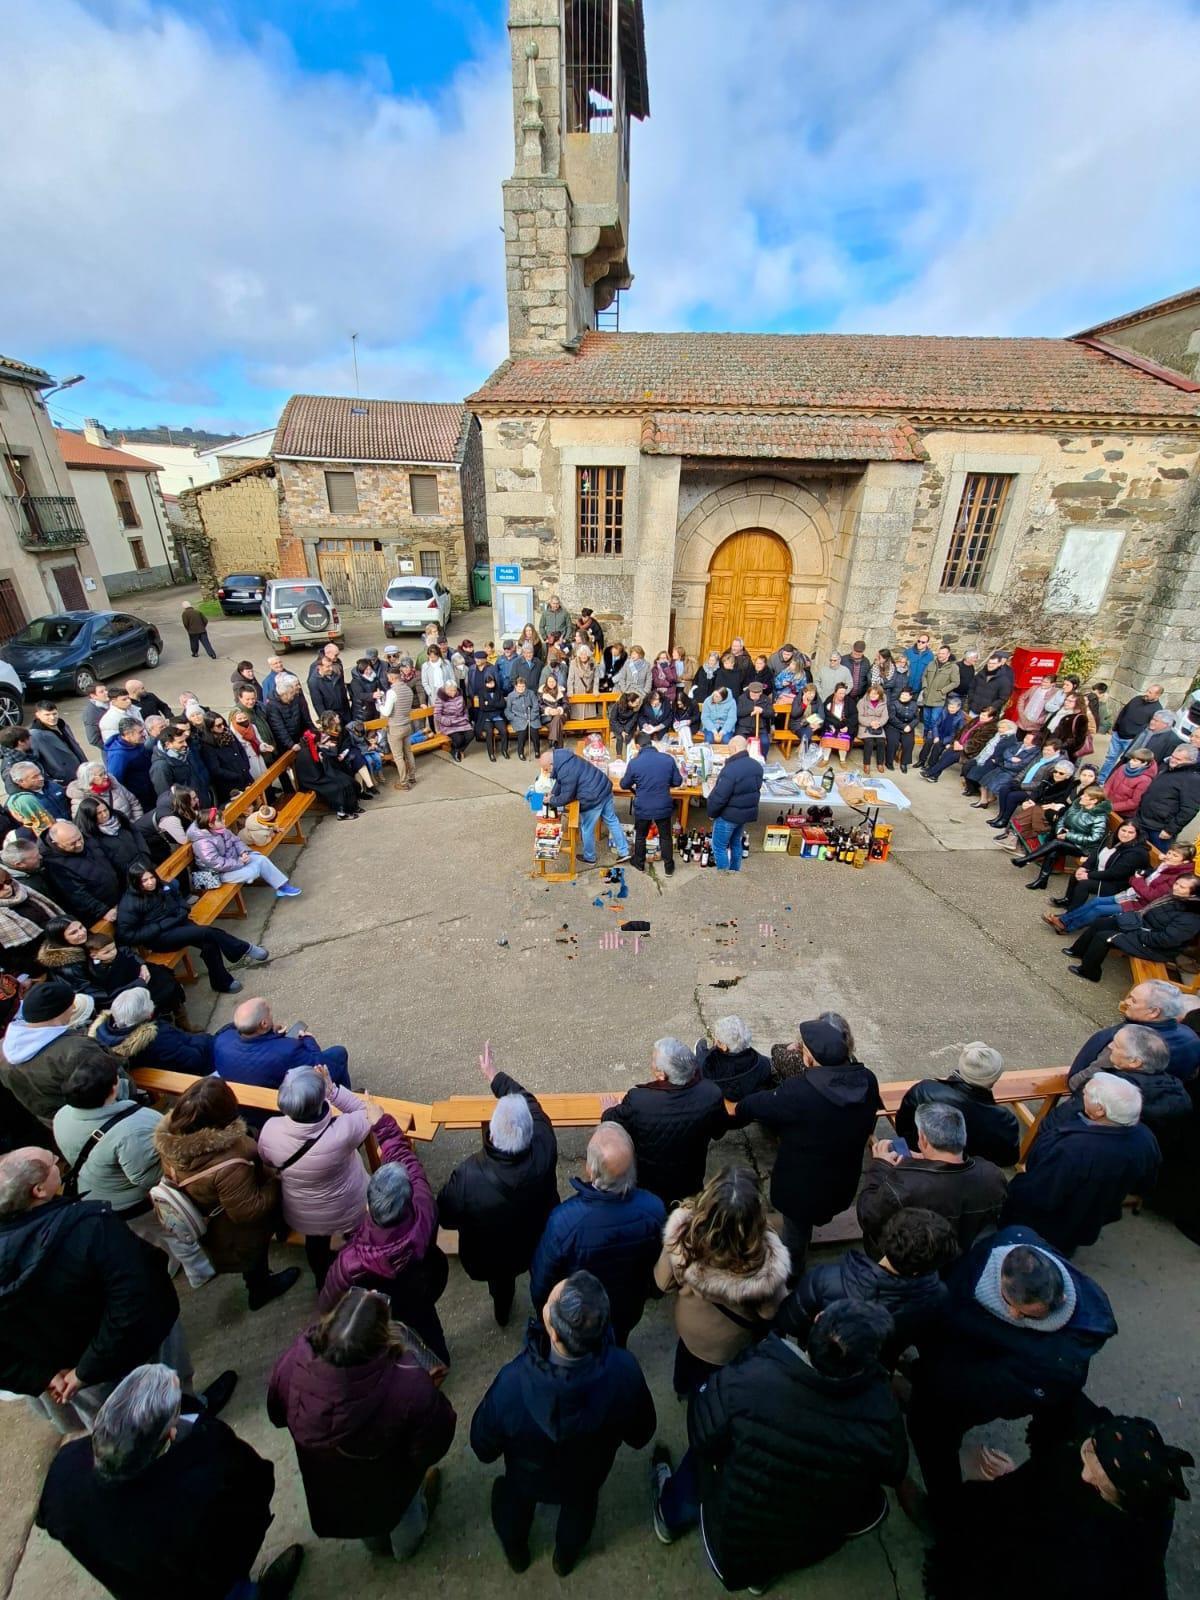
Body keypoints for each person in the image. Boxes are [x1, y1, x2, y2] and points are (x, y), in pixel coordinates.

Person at [651, 1299, 907, 1590]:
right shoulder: (882, 1414)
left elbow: (702, 1433)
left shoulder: (744, 1379)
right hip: (804, 1538)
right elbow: (893, 1469)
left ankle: (670, 1518)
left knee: (700, 1467)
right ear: (869, 1362)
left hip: (735, 1534)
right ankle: (759, 1579)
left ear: (817, 1319)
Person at [37, 1363, 303, 1600]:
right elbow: (257, 1487)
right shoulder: (205, 1468)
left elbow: (47, 1519)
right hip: (209, 1583)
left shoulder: (64, 1469)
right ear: (169, 1434)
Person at [906, 1226, 1117, 1504]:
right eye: (1012, 1305)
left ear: (1060, 1298)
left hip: (975, 1384)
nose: (1014, 1314)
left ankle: (944, 1506)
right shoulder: (1016, 1238)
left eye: (1026, 1314)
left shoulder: (1055, 1363)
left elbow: (989, 1390)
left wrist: (932, 1379)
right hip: (964, 1352)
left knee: (932, 1430)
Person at [471, 1270, 656, 1576]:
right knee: (579, 1514)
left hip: (526, 1477)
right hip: (587, 1477)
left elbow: (482, 1445)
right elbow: (641, 1434)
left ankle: (517, 1553)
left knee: (512, 1508)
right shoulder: (625, 1372)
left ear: (554, 1333)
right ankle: (565, 1559)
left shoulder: (512, 1384)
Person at [0, 1147, 197, 1431]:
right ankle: (190, 1429)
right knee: (172, 1393)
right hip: (136, 1346)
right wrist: (86, 1369)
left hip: (71, 1373)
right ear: (39, 1190)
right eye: (52, 1162)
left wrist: (43, 1376)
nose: (58, 1161)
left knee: (115, 1424)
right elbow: (134, 1297)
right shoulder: (90, 1227)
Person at [923, 1394, 1193, 1600]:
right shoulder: (1148, 1487)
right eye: (1090, 1453)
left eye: (1099, 1478)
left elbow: (1030, 1540)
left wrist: (1011, 1479)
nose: (1086, 1474)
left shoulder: (1090, 1556)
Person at [269, 1288, 454, 1565]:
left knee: (362, 1520)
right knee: (405, 1519)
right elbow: (434, 1442)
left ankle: (377, 1548)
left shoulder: (290, 1364)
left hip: (331, 1480)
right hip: (390, 1481)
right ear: (382, 1336)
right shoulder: (408, 1384)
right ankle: (406, 1552)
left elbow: (277, 1414)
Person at [730, 1015, 881, 1275]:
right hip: (842, 1185)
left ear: (809, 1058)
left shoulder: (799, 1092)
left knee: (795, 1238)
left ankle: (791, 1277)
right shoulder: (867, 1080)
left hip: (800, 1195)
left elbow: (751, 1107)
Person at [437, 1047, 559, 1327]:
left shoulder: (468, 1175)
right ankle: (546, 1316)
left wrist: (491, 1074)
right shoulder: (544, 1142)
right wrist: (495, 1077)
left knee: (501, 1286)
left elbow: (445, 1215)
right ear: (531, 1129)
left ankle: (503, 1315)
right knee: (541, 1273)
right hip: (539, 1236)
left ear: (491, 1133)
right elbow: (528, 1100)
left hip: (494, 1253)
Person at [154, 1075, 298, 1310]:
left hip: (213, 1221)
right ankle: (260, 1290)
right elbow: (248, 1211)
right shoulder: (229, 1163)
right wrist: (276, 1181)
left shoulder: (172, 1138)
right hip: (236, 1232)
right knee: (254, 1261)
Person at [654, 1165, 790, 1395]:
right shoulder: (767, 1262)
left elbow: (662, 1282)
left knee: (689, 1376)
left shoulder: (682, 1236)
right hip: (732, 1346)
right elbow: (769, 1312)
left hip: (693, 1335)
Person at [529, 1123, 665, 1345]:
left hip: (580, 1315)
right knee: (619, 1341)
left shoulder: (564, 1221)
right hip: (627, 1308)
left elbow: (542, 1280)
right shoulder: (654, 1209)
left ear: (590, 1170)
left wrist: (545, 1313)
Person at [1002, 1073, 1161, 1253]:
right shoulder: (1146, 1139)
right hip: (1091, 1218)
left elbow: (1039, 1192)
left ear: (1099, 1110)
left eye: (1085, 1093)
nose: (1081, 1095)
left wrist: (1014, 1191)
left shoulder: (1071, 1149)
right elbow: (1144, 1184)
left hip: (1049, 1223)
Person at [257, 1066, 380, 1293]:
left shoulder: (270, 1129)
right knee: (360, 1238)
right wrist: (332, 1090)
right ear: (320, 1099)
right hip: (349, 1206)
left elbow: (267, 1161)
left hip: (304, 1212)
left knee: (316, 1247)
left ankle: (323, 1282)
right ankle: (365, 1274)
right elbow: (370, 1112)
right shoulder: (343, 1130)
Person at [789, 1207, 959, 1367]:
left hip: (820, 1359)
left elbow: (791, 1321)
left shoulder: (825, 1279)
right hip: (875, 1367)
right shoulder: (937, 1296)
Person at [857, 1103, 1008, 1257]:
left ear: (923, 1139)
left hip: (911, 1260)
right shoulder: (992, 1174)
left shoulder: (902, 1186)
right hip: (967, 1258)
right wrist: (928, 1160)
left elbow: (868, 1216)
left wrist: (880, 1166)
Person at [601, 1037, 726, 1205]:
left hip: (647, 1183)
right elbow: (719, 1132)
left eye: (653, 1060)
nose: (651, 1063)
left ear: (661, 1074)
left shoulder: (639, 1101)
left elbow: (610, 1123)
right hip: (690, 1179)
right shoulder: (711, 1093)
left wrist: (609, 1109)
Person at [117, 863, 267, 994]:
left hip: (179, 923)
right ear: (136, 882)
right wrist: (158, 926)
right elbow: (127, 935)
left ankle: (221, 983)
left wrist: (181, 911)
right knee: (207, 932)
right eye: (144, 880)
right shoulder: (129, 903)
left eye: (152, 877)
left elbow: (180, 901)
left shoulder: (163, 886)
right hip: (160, 937)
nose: (150, 882)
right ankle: (244, 948)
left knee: (209, 943)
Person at [0, 977, 114, 1127]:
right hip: (98, 1120)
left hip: (56, 1124)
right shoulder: (78, 1049)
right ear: (59, 1011)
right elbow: (112, 1082)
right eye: (71, 1005)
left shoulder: (3, 1050)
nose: (74, 1008)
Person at [894, 1042, 1020, 1167]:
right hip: (970, 1171)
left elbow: (902, 1126)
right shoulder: (1004, 1120)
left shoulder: (925, 1090)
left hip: (921, 1155)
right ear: (995, 1078)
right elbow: (1008, 1159)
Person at [1065, 873, 1200, 982]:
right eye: (1176, 883)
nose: (1176, 887)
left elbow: (1166, 940)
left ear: (1193, 894)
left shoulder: (1191, 916)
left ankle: (1090, 972)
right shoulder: (1173, 898)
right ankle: (1078, 951)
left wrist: (1135, 932)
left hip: (1156, 947)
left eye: (1182, 887)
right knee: (1101, 922)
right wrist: (1131, 922)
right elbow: (1149, 915)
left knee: (1105, 937)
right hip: (1142, 926)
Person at [1069, 979, 1200, 1083]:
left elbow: (1079, 1082)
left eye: (1134, 1000)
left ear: (1154, 1012)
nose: (1126, 1002)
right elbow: (1190, 1077)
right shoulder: (1192, 1038)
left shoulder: (1127, 1041)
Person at [213, 995, 351, 1091]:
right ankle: (347, 1100)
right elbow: (320, 1065)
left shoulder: (222, 1040)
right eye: (269, 1012)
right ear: (264, 1023)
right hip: (281, 1104)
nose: (272, 1014)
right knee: (338, 1053)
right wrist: (308, 1040)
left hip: (247, 1100)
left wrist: (271, 1035)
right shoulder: (288, 1049)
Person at [88, 983, 214, 1075]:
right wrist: (206, 1041)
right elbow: (193, 1059)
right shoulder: (158, 1036)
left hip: (149, 1065)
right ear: (148, 1013)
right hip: (178, 1069)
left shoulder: (102, 1032)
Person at [1043, 818, 1150, 925]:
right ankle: (1068, 901)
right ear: (1118, 830)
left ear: (1137, 834)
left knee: (1084, 884)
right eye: (1123, 830)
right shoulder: (1114, 839)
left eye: (1130, 832)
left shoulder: (1137, 852)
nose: (1125, 835)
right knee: (1076, 874)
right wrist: (1084, 867)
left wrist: (1089, 875)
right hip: (1104, 874)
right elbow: (1096, 853)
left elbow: (1115, 873)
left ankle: (1069, 917)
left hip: (1117, 884)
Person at [539, 748, 630, 866]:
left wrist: (551, 799)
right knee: (612, 820)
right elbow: (560, 780)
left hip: (592, 798)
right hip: (604, 788)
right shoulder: (563, 757)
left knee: (586, 828)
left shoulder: (565, 771)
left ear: (552, 764)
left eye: (547, 769)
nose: (547, 772)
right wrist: (554, 793)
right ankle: (624, 851)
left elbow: (566, 797)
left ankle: (590, 857)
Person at [1011, 783, 1111, 889]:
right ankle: (1042, 881)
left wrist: (1068, 835)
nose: (1081, 796)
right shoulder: (1077, 806)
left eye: (1086, 796)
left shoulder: (1099, 817)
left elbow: (1094, 839)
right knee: (1054, 849)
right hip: (1070, 840)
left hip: (1085, 848)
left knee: (1056, 843)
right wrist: (1060, 831)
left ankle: (1027, 859)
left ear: (1094, 801)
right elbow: (1062, 819)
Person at [186, 805, 300, 898]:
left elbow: (236, 841)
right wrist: (240, 862)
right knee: (252, 871)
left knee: (261, 859)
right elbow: (217, 863)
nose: (224, 821)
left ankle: (283, 887)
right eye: (221, 820)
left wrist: (243, 852)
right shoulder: (202, 843)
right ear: (210, 825)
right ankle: (257, 873)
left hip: (236, 860)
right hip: (218, 873)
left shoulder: (220, 829)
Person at [40, 818, 122, 924]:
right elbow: (76, 895)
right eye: (72, 844)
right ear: (57, 844)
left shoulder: (85, 838)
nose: (79, 844)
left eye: (79, 839)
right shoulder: (55, 865)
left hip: (119, 896)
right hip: (104, 910)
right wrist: (102, 911)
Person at [621, 732, 678, 875]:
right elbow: (677, 781)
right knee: (665, 836)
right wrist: (665, 782)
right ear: (651, 743)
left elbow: (624, 784)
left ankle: (639, 863)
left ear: (638, 746)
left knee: (640, 835)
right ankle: (669, 867)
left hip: (643, 806)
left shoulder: (635, 763)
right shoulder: (668, 759)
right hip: (663, 805)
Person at [706, 734, 764, 871]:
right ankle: (734, 873)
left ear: (735, 747)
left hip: (728, 815)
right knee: (736, 844)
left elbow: (720, 797)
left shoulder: (730, 769)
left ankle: (725, 879)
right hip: (743, 815)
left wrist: (711, 812)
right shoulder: (757, 766)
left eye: (730, 749)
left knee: (719, 847)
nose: (729, 751)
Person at [694, 1013, 772, 1101]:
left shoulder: (709, 1067)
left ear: (724, 1046)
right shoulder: (762, 1062)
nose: (715, 1041)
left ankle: (700, 1051)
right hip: (751, 1102)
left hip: (723, 1106)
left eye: (717, 1039)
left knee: (702, 1056)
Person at [1097, 682, 1167, 781]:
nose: (1147, 693)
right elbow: (1124, 711)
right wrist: (1116, 727)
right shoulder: (1137, 699)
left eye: (1150, 692)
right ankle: (1101, 779)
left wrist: (1137, 739)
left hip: (1131, 740)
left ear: (1158, 695)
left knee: (1127, 762)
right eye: (1147, 690)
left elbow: (1149, 728)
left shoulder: (1157, 710)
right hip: (1118, 735)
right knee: (1110, 758)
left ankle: (1115, 781)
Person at [1136, 743, 1200, 847]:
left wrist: (1170, 830)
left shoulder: (1193, 780)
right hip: (1142, 821)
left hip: (1160, 830)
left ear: (1191, 761)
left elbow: (1189, 810)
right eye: (1173, 757)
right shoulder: (1166, 768)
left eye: (1179, 759)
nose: (1173, 760)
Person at [74, 793, 144, 880]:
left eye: (105, 810)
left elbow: (137, 835)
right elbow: (105, 864)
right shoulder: (90, 838)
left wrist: (145, 856)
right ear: (90, 816)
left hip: (143, 864)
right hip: (125, 877)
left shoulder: (120, 818)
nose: (104, 815)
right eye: (99, 813)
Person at [149, 721, 212, 807]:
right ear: (168, 744)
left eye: (185, 741)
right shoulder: (160, 767)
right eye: (180, 742)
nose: (185, 744)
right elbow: (166, 795)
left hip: (202, 800)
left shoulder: (185, 753)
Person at [67, 758, 142, 823]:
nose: (106, 776)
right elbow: (85, 826)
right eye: (101, 775)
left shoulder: (114, 784)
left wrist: (138, 822)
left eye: (105, 773)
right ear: (89, 779)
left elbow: (133, 802)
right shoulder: (80, 801)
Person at [4, 760, 70, 834]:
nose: (41, 778)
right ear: (21, 781)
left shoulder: (52, 785)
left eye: (40, 774)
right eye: (35, 777)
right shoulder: (20, 803)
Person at [28, 701, 85, 783]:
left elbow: (74, 746)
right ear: (38, 715)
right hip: (63, 777)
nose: (52, 717)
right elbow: (35, 760)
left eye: (54, 714)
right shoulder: (35, 735)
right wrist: (50, 779)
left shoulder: (62, 725)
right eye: (47, 715)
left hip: (80, 769)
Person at [916, 692, 965, 775]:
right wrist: (936, 736)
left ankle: (931, 765)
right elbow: (936, 724)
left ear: (958, 708)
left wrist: (950, 742)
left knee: (938, 745)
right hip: (938, 732)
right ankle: (921, 761)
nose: (950, 709)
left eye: (953, 708)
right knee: (928, 741)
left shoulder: (960, 717)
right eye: (949, 707)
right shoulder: (944, 711)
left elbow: (958, 733)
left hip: (949, 737)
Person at [919, 645, 959, 741]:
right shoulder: (931, 664)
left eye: (943, 653)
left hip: (939, 699)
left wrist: (943, 691)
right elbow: (924, 676)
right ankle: (925, 734)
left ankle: (931, 737)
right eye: (939, 653)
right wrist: (925, 687)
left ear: (948, 654)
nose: (940, 655)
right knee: (926, 719)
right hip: (927, 696)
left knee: (934, 720)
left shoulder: (953, 667)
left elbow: (956, 682)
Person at [884, 685, 920, 772]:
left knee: (909, 743)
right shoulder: (894, 704)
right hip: (893, 726)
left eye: (906, 695)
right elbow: (892, 718)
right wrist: (904, 726)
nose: (903, 697)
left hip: (908, 727)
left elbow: (917, 718)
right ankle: (889, 762)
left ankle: (904, 763)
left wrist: (910, 726)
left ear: (910, 697)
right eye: (902, 694)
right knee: (893, 742)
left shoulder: (914, 705)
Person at [857, 684, 889, 773]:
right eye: (871, 693)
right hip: (865, 726)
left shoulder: (883, 703)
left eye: (876, 694)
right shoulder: (862, 702)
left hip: (878, 726)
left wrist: (879, 723)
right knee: (869, 742)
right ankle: (866, 764)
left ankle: (880, 763)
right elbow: (859, 717)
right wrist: (870, 723)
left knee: (881, 742)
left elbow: (885, 717)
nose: (873, 695)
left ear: (880, 695)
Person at [80, 684, 110, 752]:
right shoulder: (90, 713)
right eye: (101, 692)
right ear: (93, 696)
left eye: (105, 690)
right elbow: (93, 739)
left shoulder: (110, 703)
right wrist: (111, 749)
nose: (106, 692)